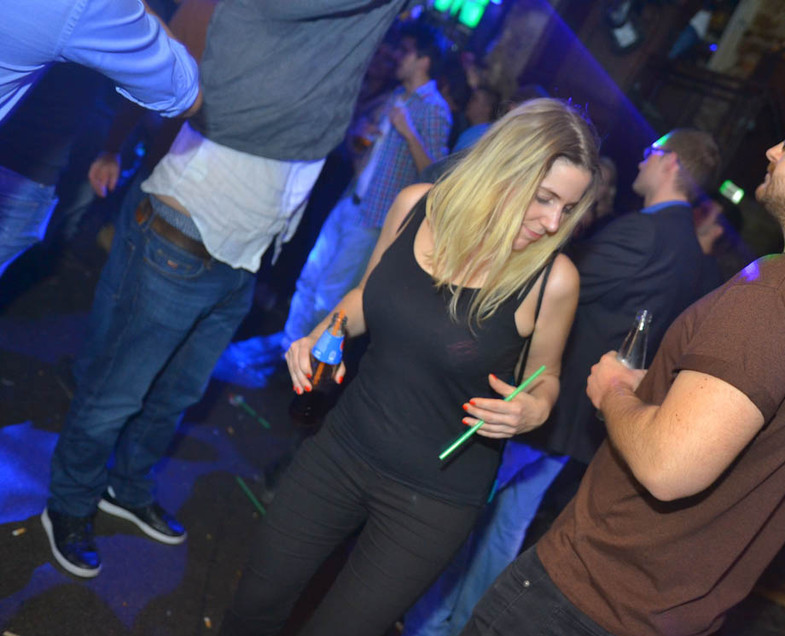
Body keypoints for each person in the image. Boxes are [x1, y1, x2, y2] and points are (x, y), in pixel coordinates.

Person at [433, 76, 785, 636]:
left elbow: (668, 468)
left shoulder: (778, 291)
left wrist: (616, 391)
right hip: (671, 627)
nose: (774, 150)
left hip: (591, 595)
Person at [212, 98, 600, 636]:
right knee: (251, 611)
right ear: (502, 168)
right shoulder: (417, 206)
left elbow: (546, 378)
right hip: (341, 450)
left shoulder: (553, 279)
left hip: (432, 502)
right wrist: (321, 334)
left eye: (567, 209)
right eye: (544, 198)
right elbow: (366, 297)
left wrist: (531, 411)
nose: (552, 223)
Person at [41, 0, 410, 580]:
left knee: (177, 394)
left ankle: (126, 485)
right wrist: (114, 145)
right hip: (181, 236)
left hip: (244, 257)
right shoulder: (261, 21)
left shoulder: (324, 59)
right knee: (118, 390)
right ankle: (68, 500)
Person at [374, 128, 722, 636]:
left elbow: (551, 286)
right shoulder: (691, 252)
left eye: (652, 151)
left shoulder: (644, 232)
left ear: (671, 164)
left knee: (460, 518)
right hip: (577, 424)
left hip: (541, 406)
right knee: (504, 531)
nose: (642, 157)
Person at [282, 20, 453, 348]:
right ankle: (287, 350)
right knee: (308, 279)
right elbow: (364, 149)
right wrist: (361, 138)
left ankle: (309, 361)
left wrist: (409, 132)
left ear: (424, 60)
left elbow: (437, 176)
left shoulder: (435, 110)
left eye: (407, 51)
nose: (398, 56)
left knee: (329, 295)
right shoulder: (396, 95)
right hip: (352, 200)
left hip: (376, 218)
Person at [0, 0, 200, 277]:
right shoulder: (91, 7)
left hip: (39, 153)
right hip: (27, 170)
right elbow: (185, 92)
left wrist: (111, 149)